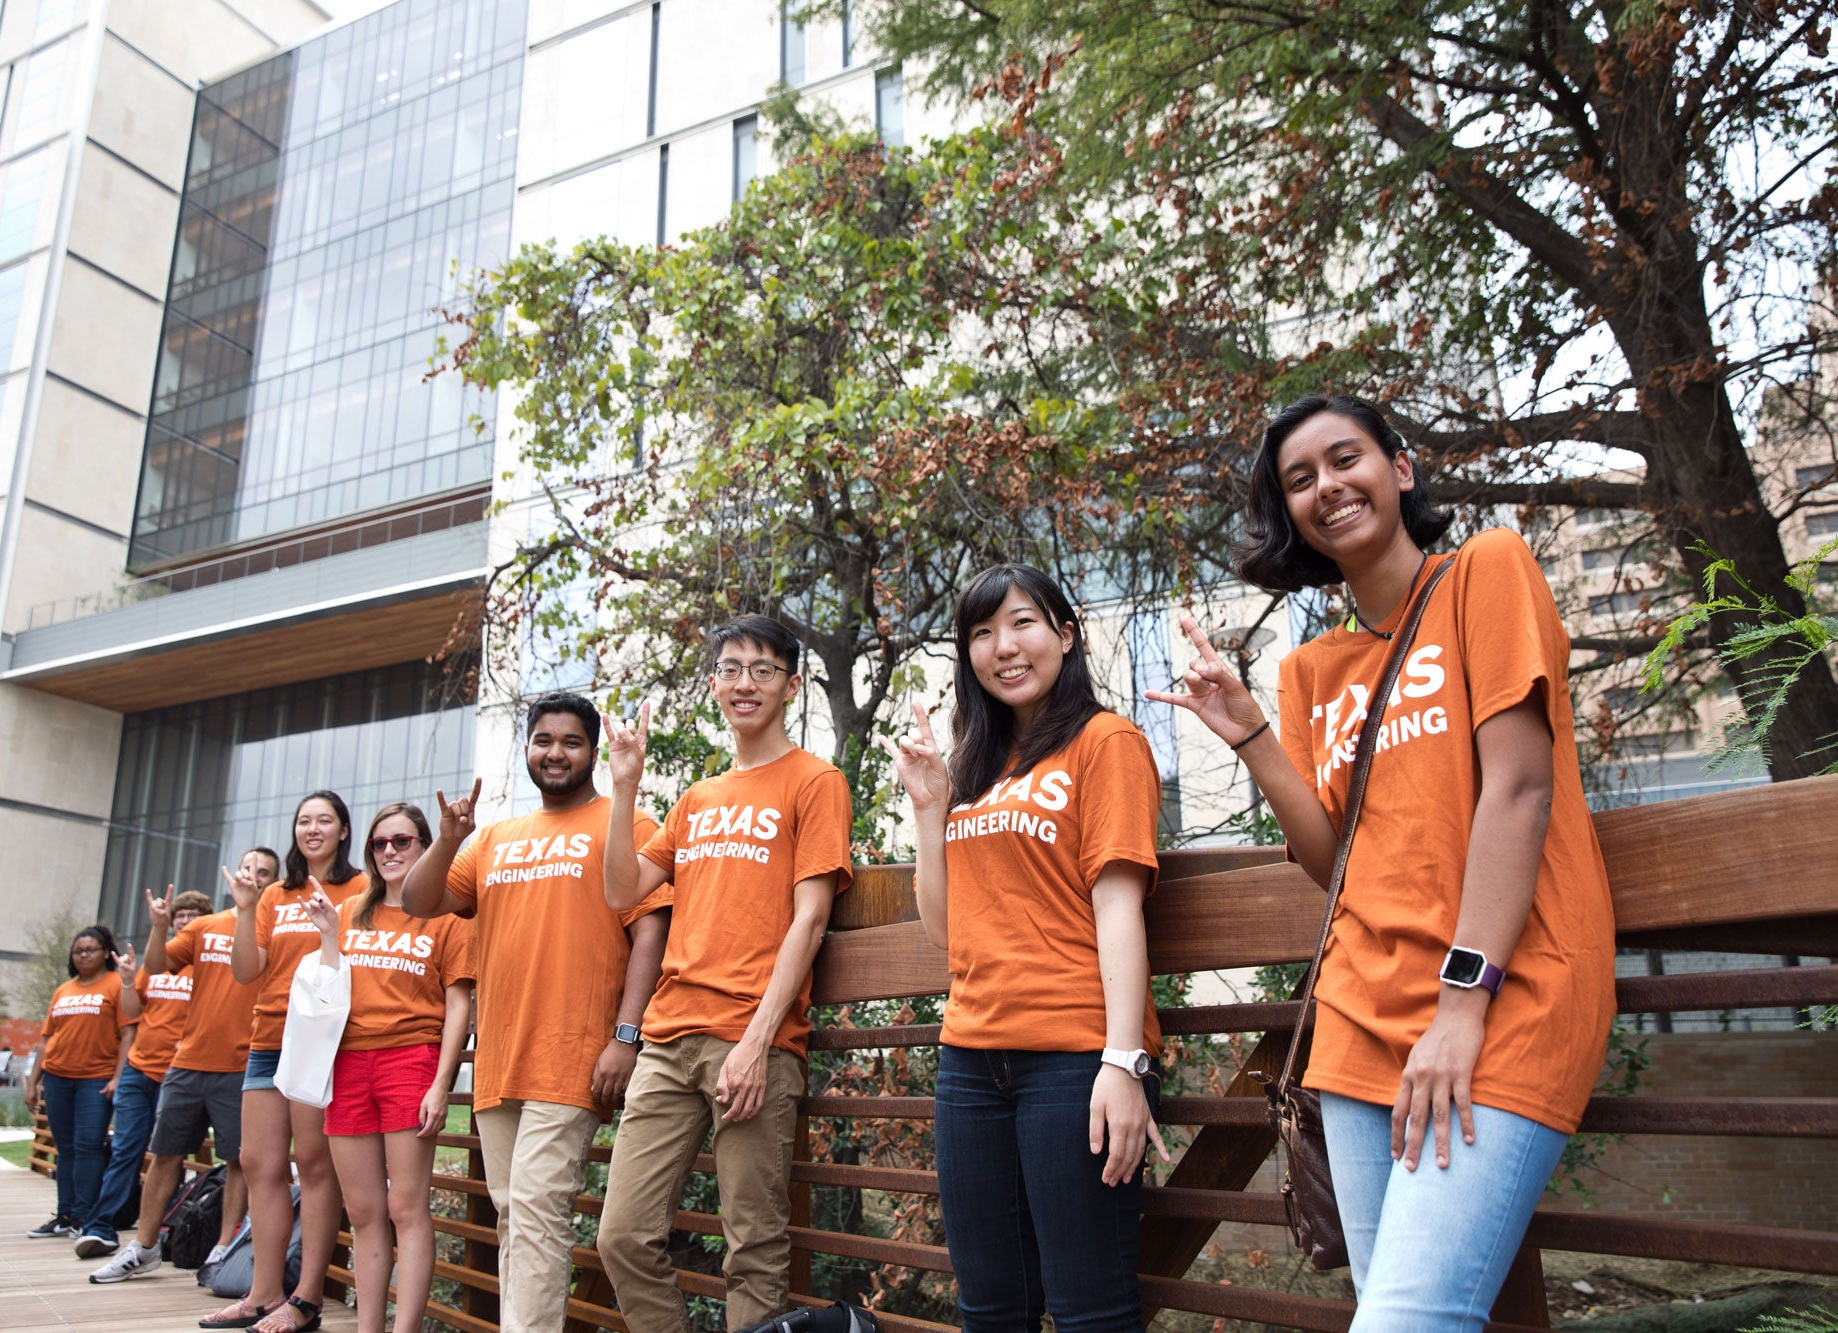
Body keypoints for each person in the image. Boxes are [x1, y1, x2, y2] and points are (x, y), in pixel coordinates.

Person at [1149, 394, 1616, 1329]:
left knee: (1407, 1314)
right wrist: (1252, 738)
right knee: (1396, 1305)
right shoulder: (1312, 669)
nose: (1328, 485)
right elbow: (1338, 860)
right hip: (1358, 1022)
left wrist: (1460, 1004)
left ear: (1399, 469)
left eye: (1345, 458)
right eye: (1299, 480)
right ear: (1292, 518)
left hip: (1502, 995)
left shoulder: (1487, 572)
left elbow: (1519, 791)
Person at [882, 564, 1169, 1332]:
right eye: (980, 632)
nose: (1002, 647)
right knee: (990, 1309)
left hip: (1074, 1058)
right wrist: (932, 809)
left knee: (1091, 1312)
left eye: (1022, 623)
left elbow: (1119, 908)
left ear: (1066, 636)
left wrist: (1122, 1060)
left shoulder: (1105, 742)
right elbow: (946, 931)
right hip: (971, 1060)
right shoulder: (976, 764)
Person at [597, 615, 853, 1333]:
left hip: (755, 1040)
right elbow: (623, 889)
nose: (747, 682)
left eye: (764, 669)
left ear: (792, 685)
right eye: (733, 669)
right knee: (621, 1234)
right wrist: (624, 787)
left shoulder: (815, 781)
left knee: (754, 1246)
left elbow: (810, 919)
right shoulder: (697, 799)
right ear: (714, 685)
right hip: (668, 1041)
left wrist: (755, 1041)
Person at [404, 693, 674, 1332]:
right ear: (527, 749)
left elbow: (650, 935)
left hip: (575, 1053)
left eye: (572, 741)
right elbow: (418, 900)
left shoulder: (626, 823)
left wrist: (625, 1036)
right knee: (514, 1214)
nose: (556, 753)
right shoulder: (496, 837)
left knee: (535, 1209)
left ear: (592, 752)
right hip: (501, 1059)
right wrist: (447, 841)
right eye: (544, 740)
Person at [301, 802, 475, 1333]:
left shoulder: (446, 912)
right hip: (347, 1065)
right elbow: (325, 993)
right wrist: (329, 937)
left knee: (407, 1209)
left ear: (424, 846)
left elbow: (459, 1005)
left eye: (402, 842)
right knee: (364, 1213)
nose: (391, 852)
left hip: (411, 1061)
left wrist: (441, 1084)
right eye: (380, 844)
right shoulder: (351, 909)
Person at [201, 792, 367, 1333]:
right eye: (303, 821)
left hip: (322, 1041)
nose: (312, 829)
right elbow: (247, 972)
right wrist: (246, 909)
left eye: (324, 821)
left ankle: (307, 1297)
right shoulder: (276, 893)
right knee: (258, 1163)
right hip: (269, 1037)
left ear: (344, 830)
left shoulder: (362, 888)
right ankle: (262, 1292)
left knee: (315, 1167)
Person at [89, 848, 278, 1286]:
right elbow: (157, 967)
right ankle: (143, 1246)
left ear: (273, 883)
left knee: (238, 1162)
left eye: (264, 873)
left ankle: (221, 1247)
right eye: (248, 869)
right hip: (188, 1061)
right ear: (235, 876)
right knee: (163, 1154)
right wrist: (158, 928)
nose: (254, 878)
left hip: (243, 1064)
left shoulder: (276, 931)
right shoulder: (206, 927)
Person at [75, 888, 214, 1258]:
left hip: (182, 1071)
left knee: (170, 1154)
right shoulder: (157, 962)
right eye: (180, 915)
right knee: (125, 1148)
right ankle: (101, 1227)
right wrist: (125, 980)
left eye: (193, 916)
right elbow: (133, 1012)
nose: (185, 921)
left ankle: (167, 1228)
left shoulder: (210, 963)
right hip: (140, 1070)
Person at [26, 924, 131, 1240]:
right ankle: (65, 1213)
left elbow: (129, 1034)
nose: (83, 955)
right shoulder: (63, 990)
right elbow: (46, 1040)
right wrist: (33, 1082)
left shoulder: (117, 984)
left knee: (88, 1146)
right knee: (66, 1148)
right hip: (57, 1077)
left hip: (95, 1079)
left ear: (105, 953)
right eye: (78, 951)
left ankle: (84, 1216)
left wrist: (118, 1077)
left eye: (90, 950)